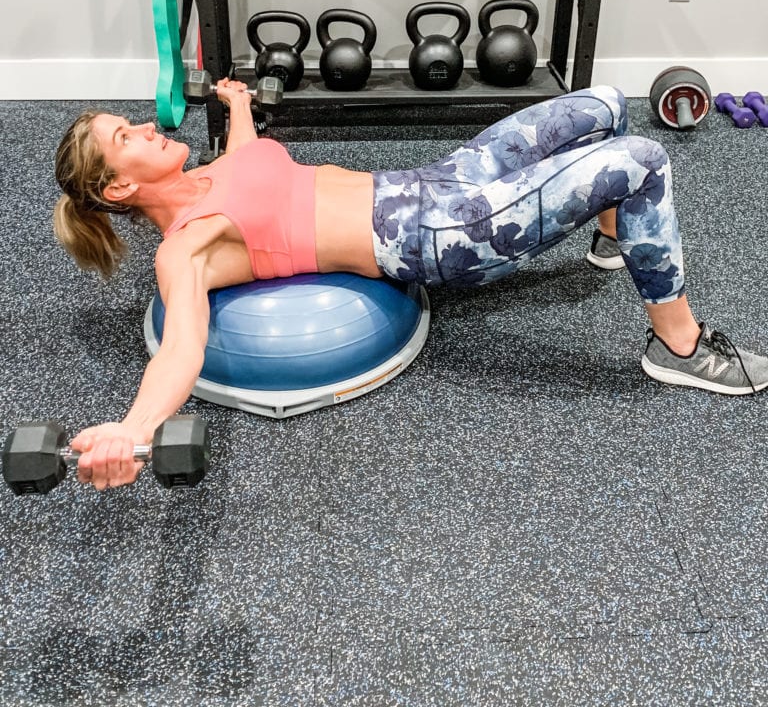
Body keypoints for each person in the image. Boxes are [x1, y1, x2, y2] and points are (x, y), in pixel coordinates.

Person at [53, 83, 768, 490]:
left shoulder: (208, 175)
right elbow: (180, 346)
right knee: (641, 158)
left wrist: (238, 104)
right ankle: (679, 346)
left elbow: (249, 163)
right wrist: (133, 428)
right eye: (126, 136)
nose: (145, 126)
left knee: (605, 105)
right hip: (439, 236)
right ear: (119, 186)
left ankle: (617, 231)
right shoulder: (187, 248)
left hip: (436, 181)